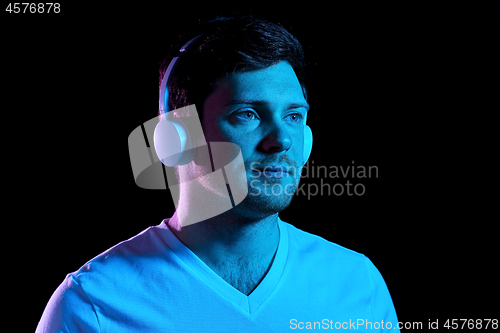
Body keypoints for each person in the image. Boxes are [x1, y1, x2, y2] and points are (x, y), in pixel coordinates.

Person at [36, 15, 399, 332]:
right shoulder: (92, 306)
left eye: (293, 116)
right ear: (177, 140)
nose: (283, 140)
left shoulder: (357, 285)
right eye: (248, 114)